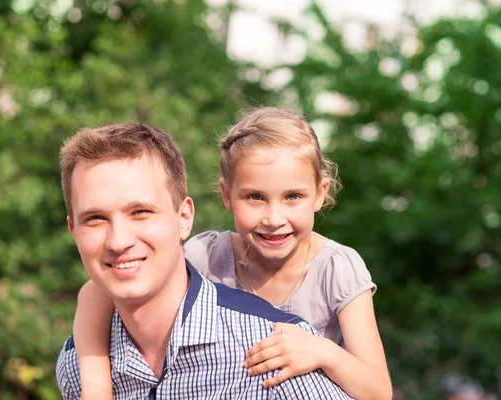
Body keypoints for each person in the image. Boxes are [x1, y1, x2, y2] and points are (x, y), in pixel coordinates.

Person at [73, 109, 392, 400]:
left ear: (320, 194)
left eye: (293, 196)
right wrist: (97, 383)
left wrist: (323, 352)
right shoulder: (209, 254)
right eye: (255, 197)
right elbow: (98, 289)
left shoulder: (337, 267)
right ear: (227, 195)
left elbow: (379, 391)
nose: (274, 218)